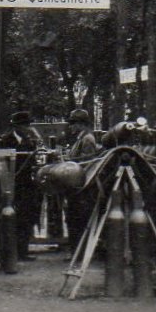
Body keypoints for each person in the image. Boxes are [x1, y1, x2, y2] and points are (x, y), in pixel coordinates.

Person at [0, 111, 44, 261]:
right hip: (12, 185)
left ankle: (23, 251)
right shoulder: (6, 141)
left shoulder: (29, 140)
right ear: (16, 127)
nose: (28, 128)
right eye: (25, 125)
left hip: (26, 185)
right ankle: (12, 251)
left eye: (28, 125)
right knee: (13, 218)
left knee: (26, 217)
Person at [64, 108, 99, 256]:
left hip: (83, 187)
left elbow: (88, 163)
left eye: (73, 123)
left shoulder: (87, 139)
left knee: (78, 220)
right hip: (77, 186)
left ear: (81, 124)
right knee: (73, 219)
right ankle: (77, 252)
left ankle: (80, 253)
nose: (70, 126)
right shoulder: (81, 138)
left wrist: (68, 162)